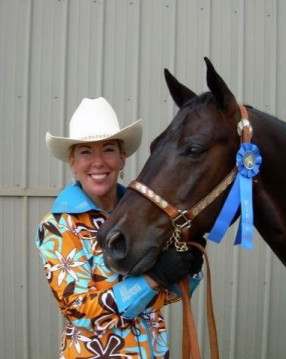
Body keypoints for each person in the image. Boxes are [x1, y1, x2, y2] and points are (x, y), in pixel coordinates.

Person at [35, 97, 203, 358]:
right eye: (85, 151)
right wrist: (153, 278)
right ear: (72, 162)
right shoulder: (58, 225)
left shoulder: (143, 215)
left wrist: (187, 270)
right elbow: (79, 310)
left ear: (122, 158)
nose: (98, 162)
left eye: (108, 150)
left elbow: (161, 298)